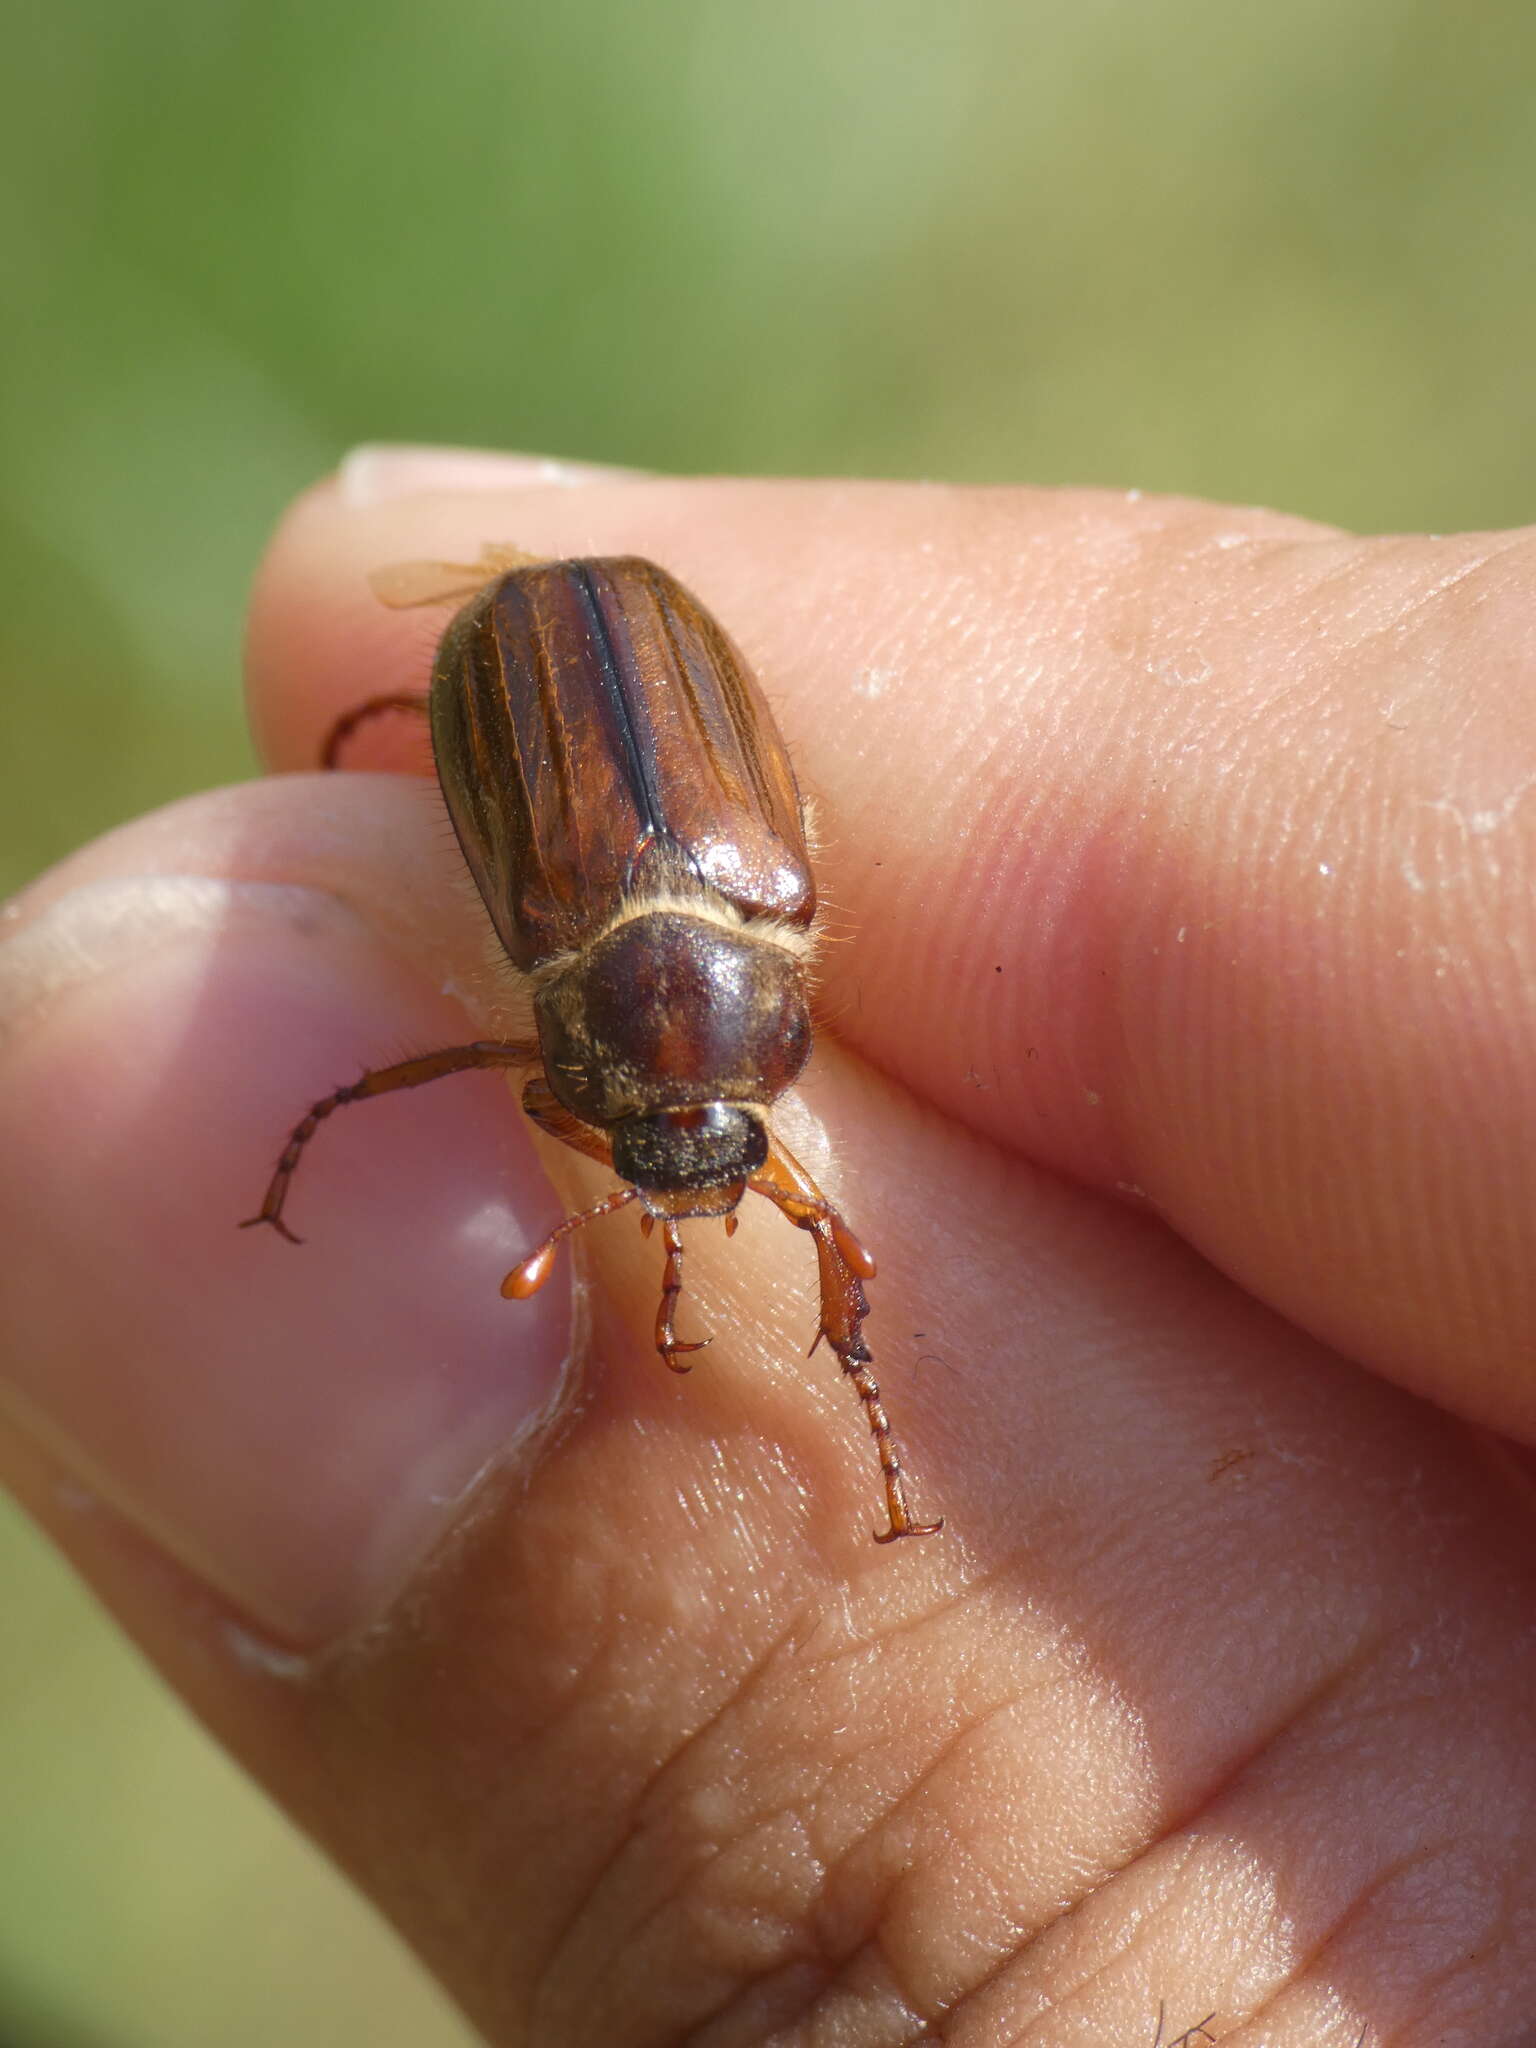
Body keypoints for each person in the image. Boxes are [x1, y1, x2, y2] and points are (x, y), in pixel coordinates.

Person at [2, 448, 1533, 2043]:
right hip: (545, 664)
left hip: (585, 682)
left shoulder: (716, 933)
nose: (686, 1169)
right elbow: (495, 1046)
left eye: (677, 1146)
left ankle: (851, 1392)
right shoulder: (632, 935)